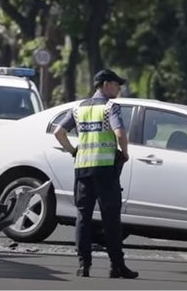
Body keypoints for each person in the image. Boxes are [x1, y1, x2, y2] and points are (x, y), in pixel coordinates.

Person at [52, 69, 138, 279]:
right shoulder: (110, 107)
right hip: (106, 169)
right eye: (117, 84)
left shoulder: (78, 108)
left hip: (82, 169)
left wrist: (73, 151)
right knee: (111, 219)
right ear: (106, 84)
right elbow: (120, 133)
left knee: (83, 217)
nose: (119, 88)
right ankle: (116, 266)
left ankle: (84, 266)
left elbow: (59, 132)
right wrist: (125, 153)